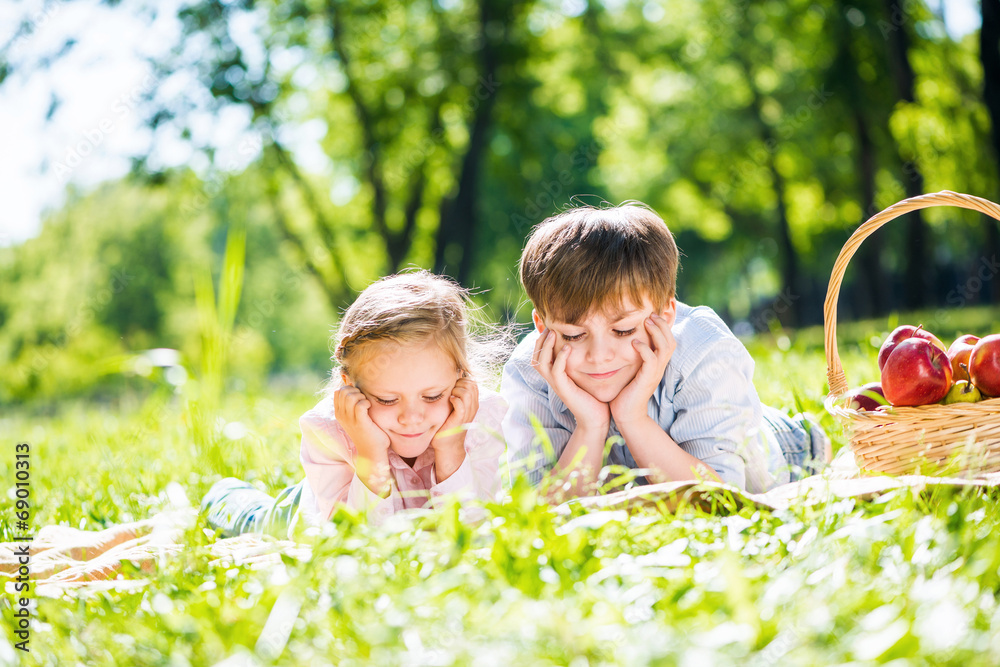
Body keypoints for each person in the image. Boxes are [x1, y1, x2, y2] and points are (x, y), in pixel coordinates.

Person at [500, 203, 829, 499]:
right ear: (542, 326)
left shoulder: (704, 349)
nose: (598, 355)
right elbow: (540, 513)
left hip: (781, 451)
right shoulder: (530, 370)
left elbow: (718, 501)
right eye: (573, 335)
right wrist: (591, 425)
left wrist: (632, 418)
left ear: (665, 316)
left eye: (624, 330)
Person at [202, 271, 508, 536]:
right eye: (388, 399)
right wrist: (370, 454)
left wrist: (451, 449)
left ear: (460, 376)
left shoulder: (480, 420)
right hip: (314, 510)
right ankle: (224, 495)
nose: (412, 417)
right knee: (260, 520)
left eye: (432, 396)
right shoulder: (327, 430)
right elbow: (355, 540)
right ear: (351, 386)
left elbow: (473, 532)